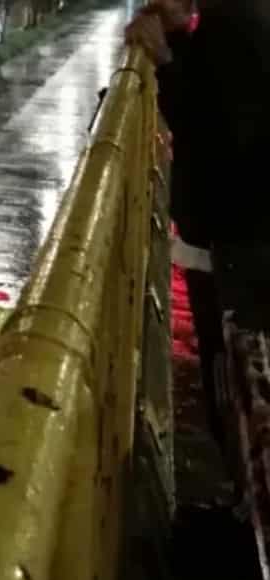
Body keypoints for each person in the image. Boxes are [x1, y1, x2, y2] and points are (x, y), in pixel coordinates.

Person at [126, 0, 270, 447]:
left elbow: (217, 132)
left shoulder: (236, 21)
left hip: (237, 244)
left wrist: (166, 60)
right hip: (232, 238)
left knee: (242, 388)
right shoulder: (234, 20)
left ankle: (250, 503)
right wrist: (179, 39)